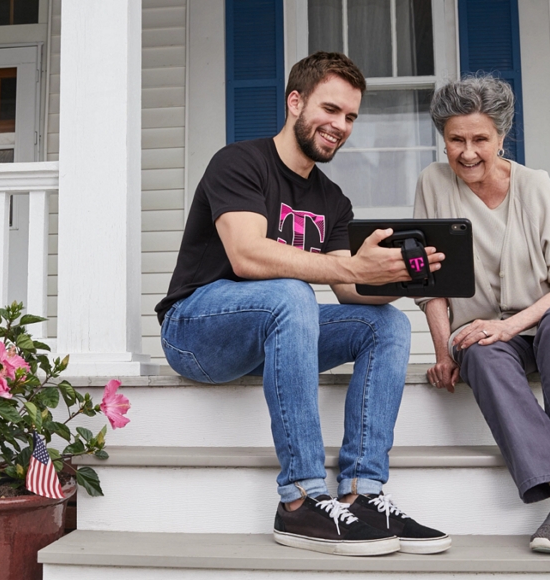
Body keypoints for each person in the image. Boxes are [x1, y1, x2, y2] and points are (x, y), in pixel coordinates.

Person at [155, 52, 450, 557]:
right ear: (295, 102)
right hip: (195, 332)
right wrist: (353, 268)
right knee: (291, 293)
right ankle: (301, 499)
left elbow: (349, 290)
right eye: (330, 109)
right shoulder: (239, 162)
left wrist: (405, 275)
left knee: (386, 324)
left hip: (275, 335)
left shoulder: (332, 200)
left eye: (350, 117)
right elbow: (247, 255)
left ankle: (361, 493)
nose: (340, 126)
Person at [413, 74, 550, 564]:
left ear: (501, 138)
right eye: (456, 139)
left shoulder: (533, 185)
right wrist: (444, 351)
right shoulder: (433, 183)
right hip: (500, 340)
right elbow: (431, 284)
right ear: (443, 140)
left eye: (480, 139)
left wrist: (509, 326)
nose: (468, 152)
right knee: (476, 352)